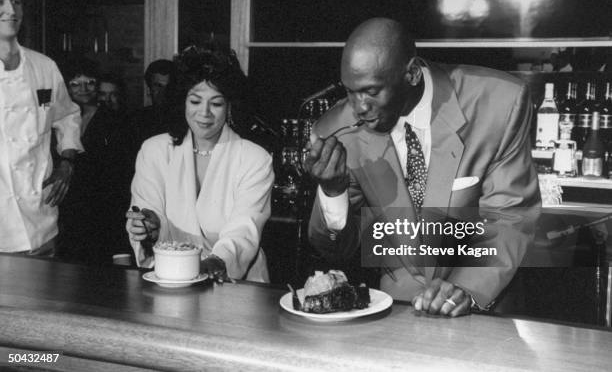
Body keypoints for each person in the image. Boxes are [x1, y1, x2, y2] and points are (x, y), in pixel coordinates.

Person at [305, 18, 540, 317]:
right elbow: (335, 249)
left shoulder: (498, 103)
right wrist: (332, 191)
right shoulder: (338, 129)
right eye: (350, 91)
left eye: (371, 91)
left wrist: (468, 288)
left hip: (483, 306)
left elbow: (510, 217)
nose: (359, 107)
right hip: (397, 312)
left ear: (412, 73)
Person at [125, 43, 274, 282]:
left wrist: (215, 263)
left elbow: (244, 230)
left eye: (216, 104)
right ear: (181, 101)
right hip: (172, 278)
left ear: (230, 106)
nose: (204, 113)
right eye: (195, 101)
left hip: (238, 285)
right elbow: (148, 211)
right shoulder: (154, 151)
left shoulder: (254, 159)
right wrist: (149, 228)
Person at [0, 0, 82, 255]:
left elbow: (67, 115)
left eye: (16, 1)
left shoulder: (44, 66)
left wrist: (67, 162)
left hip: (42, 222)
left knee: (47, 299)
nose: (10, 10)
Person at [58, 58, 131, 264]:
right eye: (75, 83)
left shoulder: (113, 120)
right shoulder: (57, 120)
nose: (84, 89)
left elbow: (119, 177)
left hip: (102, 213)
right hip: (67, 213)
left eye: (89, 82)